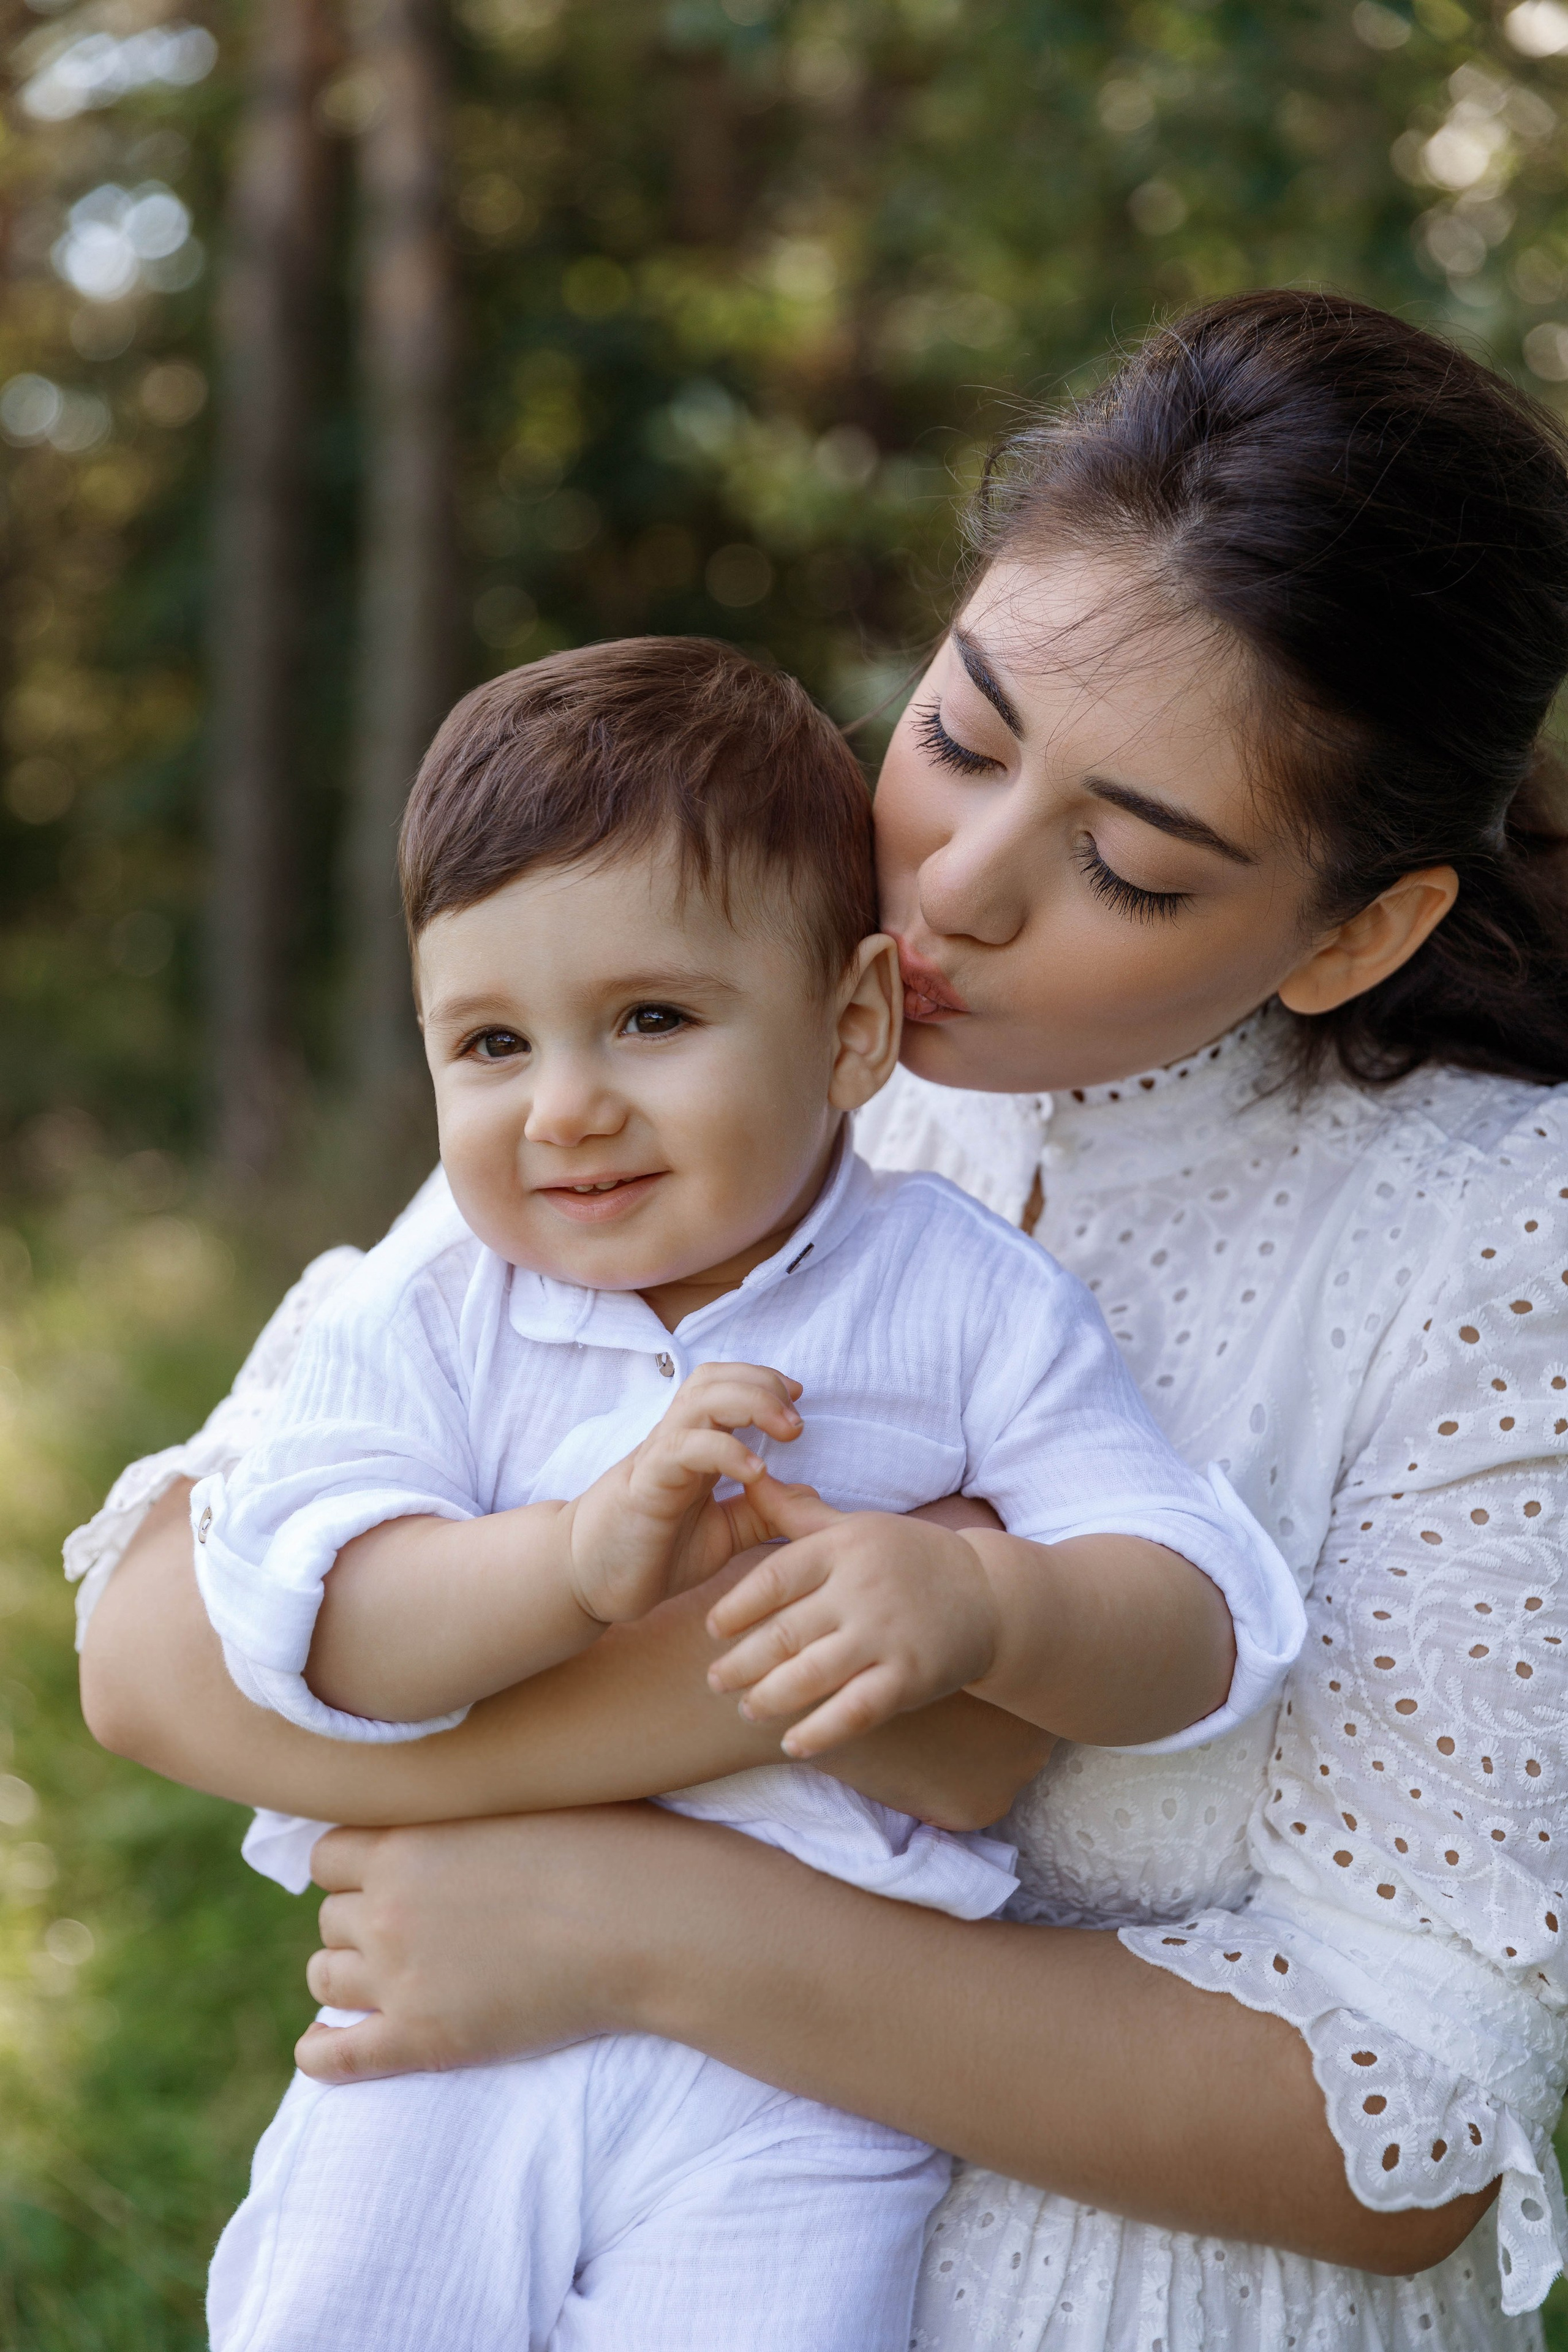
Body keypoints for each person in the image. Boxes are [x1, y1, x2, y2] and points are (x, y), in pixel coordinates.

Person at [74, 290, 1568, 2351]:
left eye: (1127, 866)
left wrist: (642, 1917)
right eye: (957, 734)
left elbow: (1399, 2127)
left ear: (1364, 926)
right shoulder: (710, 1035)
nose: (950, 886)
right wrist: (817, 1692)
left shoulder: (1497, 1238)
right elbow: (157, 1649)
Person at [189, 635, 1298, 2352]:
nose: (567, 1108)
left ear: (851, 1024)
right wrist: (570, 1559)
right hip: (448, 2032)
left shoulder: (959, 1296)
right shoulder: (420, 1312)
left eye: (651, 1019)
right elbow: (321, 1624)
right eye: (489, 1043)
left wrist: (995, 1607)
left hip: (804, 2079)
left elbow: (1198, 1614)